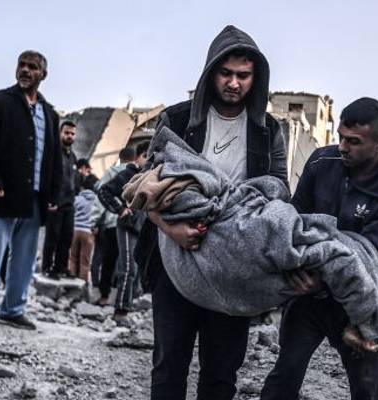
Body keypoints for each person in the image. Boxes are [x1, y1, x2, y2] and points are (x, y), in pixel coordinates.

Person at [138, 25, 287, 400]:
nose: (234, 83)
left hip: (232, 266)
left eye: (243, 75)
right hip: (174, 258)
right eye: (226, 73)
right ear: (210, 73)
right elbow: (147, 189)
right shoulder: (176, 120)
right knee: (169, 364)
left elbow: (280, 191)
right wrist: (171, 231)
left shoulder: (269, 130)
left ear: (256, 78)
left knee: (222, 372)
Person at [262, 97, 378, 400]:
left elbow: (366, 253)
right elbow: (294, 220)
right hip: (307, 296)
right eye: (341, 136)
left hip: (359, 300)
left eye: (353, 141)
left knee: (367, 388)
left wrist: (318, 275)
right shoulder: (321, 161)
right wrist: (296, 269)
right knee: (285, 375)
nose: (342, 146)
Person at [0, 50, 62, 332]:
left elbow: (53, 156)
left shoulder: (49, 113)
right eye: (22, 65)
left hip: (34, 197)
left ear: (42, 75)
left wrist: (53, 194)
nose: (25, 70)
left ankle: (13, 309)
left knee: (24, 258)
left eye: (32, 67)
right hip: (2, 193)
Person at [98, 142, 149, 325]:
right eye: (146, 156)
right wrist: (120, 209)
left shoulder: (152, 177)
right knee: (127, 268)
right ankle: (120, 311)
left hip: (143, 228)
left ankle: (130, 305)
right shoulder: (127, 175)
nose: (149, 159)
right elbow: (104, 191)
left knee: (138, 269)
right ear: (138, 158)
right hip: (127, 226)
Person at [90, 148, 135, 306]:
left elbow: (101, 197)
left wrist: (94, 220)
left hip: (112, 222)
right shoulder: (138, 173)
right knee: (126, 262)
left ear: (120, 158)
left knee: (107, 260)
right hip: (132, 224)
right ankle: (124, 298)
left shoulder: (112, 172)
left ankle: (104, 296)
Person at [40, 120, 78, 280]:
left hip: (69, 203)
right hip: (55, 202)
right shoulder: (53, 153)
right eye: (67, 133)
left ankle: (61, 267)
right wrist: (49, 199)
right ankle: (47, 268)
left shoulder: (73, 156)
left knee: (66, 237)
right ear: (60, 133)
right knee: (52, 237)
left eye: (72, 134)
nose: (70, 136)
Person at [71, 159, 99, 282]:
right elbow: (98, 216)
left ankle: (71, 281)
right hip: (88, 232)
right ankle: (82, 284)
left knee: (72, 258)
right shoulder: (96, 201)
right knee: (85, 261)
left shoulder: (77, 199)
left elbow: (72, 213)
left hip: (75, 230)